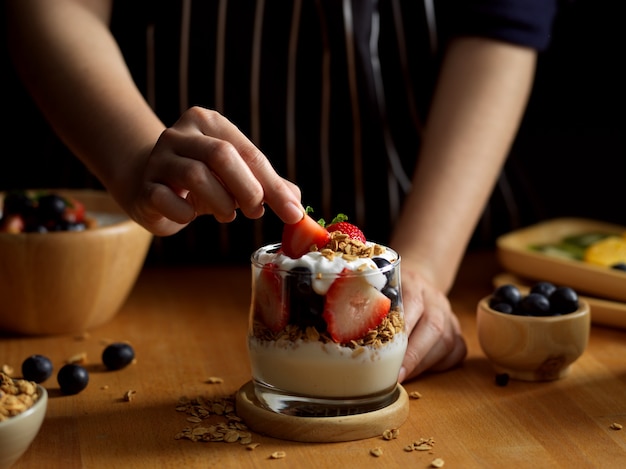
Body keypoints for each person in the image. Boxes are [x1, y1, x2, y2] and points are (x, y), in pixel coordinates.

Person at [4, 0, 558, 382]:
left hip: (436, 216)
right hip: (133, 270)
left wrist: (426, 267)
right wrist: (131, 155)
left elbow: (503, 22)